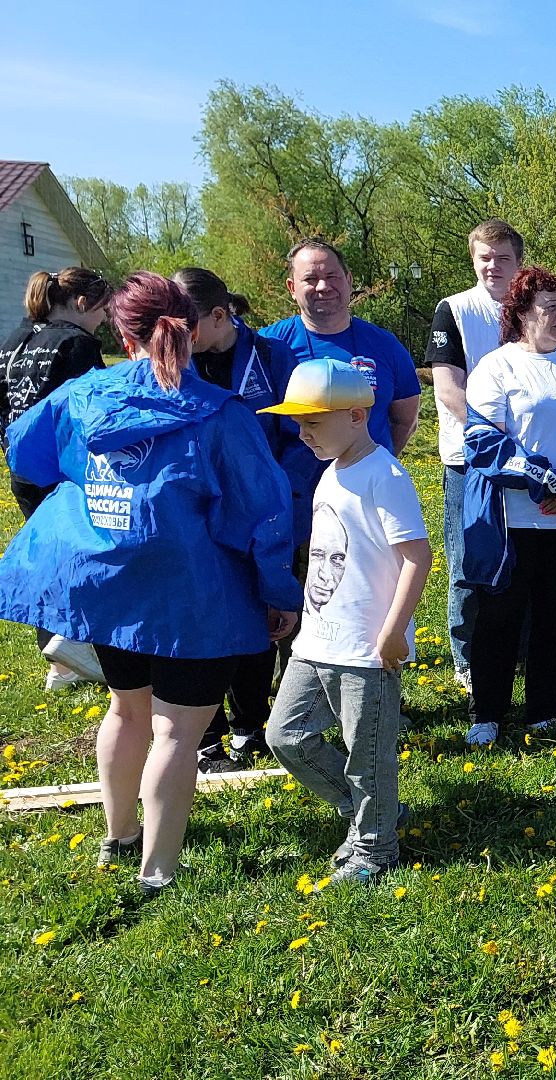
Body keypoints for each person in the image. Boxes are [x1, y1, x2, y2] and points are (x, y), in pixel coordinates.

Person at [0, 271, 299, 895]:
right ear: (190, 329)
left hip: (110, 590)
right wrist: (279, 592)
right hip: (194, 597)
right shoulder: (221, 414)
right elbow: (263, 512)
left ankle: (119, 836)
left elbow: (25, 452)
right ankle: (157, 872)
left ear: (121, 330)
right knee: (177, 732)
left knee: (126, 709)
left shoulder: (83, 396)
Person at [260, 358, 431, 885]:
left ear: (357, 416)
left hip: (365, 647)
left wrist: (394, 631)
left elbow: (417, 557)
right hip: (317, 639)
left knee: (368, 756)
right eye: (298, 422)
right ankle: (372, 812)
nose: (302, 432)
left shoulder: (385, 475)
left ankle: (375, 849)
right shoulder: (330, 473)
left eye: (313, 421)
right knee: (284, 736)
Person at [459, 266, 556, 747]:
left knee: (554, 617)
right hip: (509, 524)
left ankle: (543, 709)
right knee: (499, 619)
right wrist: (548, 482)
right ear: (522, 314)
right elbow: (481, 442)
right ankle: (487, 712)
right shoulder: (496, 367)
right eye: (551, 308)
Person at [173, 267, 297, 771]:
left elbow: (300, 434)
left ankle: (249, 725)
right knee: (200, 624)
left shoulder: (271, 356)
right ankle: (207, 735)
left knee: (257, 620)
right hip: (197, 516)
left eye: (185, 326)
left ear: (220, 316)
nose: (174, 338)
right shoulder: (171, 362)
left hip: (261, 513)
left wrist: (273, 495)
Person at [260, 239, 424, 547]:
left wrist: (363, 463)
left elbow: (404, 421)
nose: (323, 286)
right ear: (291, 287)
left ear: (348, 281)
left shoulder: (385, 345)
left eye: (333, 276)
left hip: (365, 501)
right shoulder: (268, 346)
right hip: (292, 506)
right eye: (310, 279)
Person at [1, 266, 111, 690]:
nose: (103, 320)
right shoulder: (77, 344)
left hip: (23, 467)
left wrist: (13, 454)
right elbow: (96, 409)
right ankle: (72, 643)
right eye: (102, 310)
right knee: (81, 557)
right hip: (65, 471)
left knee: (46, 558)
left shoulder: (14, 340)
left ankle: (60, 663)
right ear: (82, 304)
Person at [427, 219, 524, 693]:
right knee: (469, 562)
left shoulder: (532, 309)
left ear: (519, 262)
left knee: (522, 559)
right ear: (473, 260)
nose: (493, 266)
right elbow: (448, 388)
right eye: (485, 257)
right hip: (468, 459)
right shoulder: (455, 310)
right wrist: (497, 434)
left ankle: (519, 654)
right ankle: (467, 659)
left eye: (503, 257)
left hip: (527, 460)